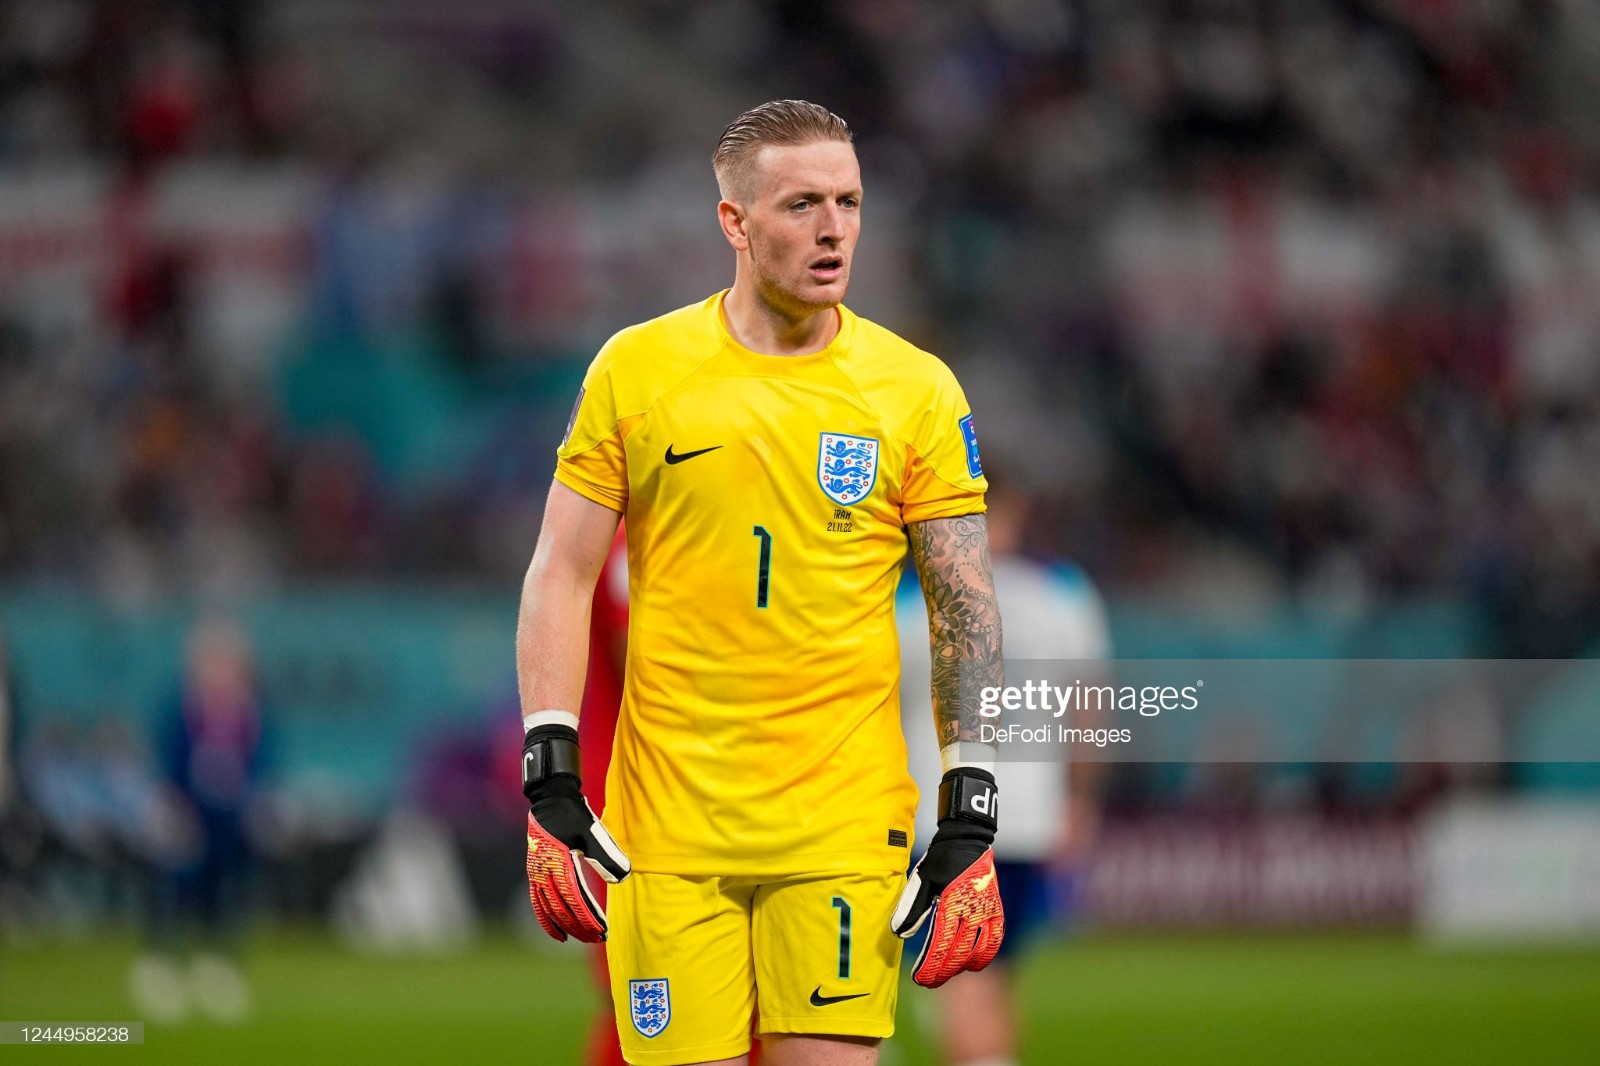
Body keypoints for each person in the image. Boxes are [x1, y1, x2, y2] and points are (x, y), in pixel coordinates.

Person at [516, 100, 1006, 1066]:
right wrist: (550, 763)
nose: (834, 230)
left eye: (849, 202)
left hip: (841, 827)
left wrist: (973, 793)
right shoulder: (637, 370)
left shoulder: (916, 390)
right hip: (667, 831)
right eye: (801, 205)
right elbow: (561, 571)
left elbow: (965, 605)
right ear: (734, 223)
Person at [899, 470, 1111, 1066]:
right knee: (996, 973)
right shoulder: (1064, 593)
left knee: (962, 981)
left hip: (945, 820)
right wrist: (1080, 802)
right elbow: (1089, 706)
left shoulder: (913, 600)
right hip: (1028, 819)